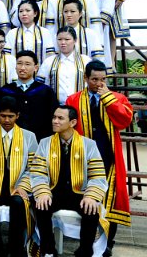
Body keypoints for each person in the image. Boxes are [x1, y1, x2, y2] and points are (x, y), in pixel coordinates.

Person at [65, 60, 134, 255]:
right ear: (85, 78)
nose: (99, 83)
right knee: (86, 199)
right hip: (81, 159)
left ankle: (108, 243)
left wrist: (108, 99)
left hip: (109, 158)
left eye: (103, 79)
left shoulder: (117, 98)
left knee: (109, 201)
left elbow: (124, 121)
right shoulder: (73, 99)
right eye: (94, 79)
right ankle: (86, 243)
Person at [31, 105, 107, 257]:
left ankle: (85, 251)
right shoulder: (45, 143)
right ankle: (48, 250)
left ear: (72, 122)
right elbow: (38, 173)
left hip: (79, 193)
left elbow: (97, 175)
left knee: (91, 210)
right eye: (54, 117)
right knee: (40, 205)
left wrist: (91, 196)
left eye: (60, 118)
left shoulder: (89, 145)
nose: (55, 121)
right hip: (54, 192)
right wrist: (43, 192)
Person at [0, 96, 38, 257]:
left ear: (18, 115)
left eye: (11, 116)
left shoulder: (29, 136)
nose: (7, 120)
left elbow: (33, 167)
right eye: (3, 116)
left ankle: (16, 248)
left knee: (19, 202)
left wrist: (23, 186)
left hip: (17, 187)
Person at [0, 50, 59, 141]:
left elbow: (53, 118)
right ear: (15, 67)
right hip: (10, 140)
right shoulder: (5, 91)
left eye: (27, 64)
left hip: (40, 139)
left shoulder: (46, 92)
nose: (22, 67)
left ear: (36, 68)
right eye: (19, 63)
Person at [37, 26, 90, 104]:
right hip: (55, 107)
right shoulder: (49, 62)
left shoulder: (86, 61)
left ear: (75, 40)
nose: (63, 43)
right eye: (60, 39)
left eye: (67, 39)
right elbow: (40, 86)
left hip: (81, 106)